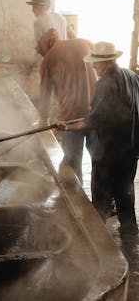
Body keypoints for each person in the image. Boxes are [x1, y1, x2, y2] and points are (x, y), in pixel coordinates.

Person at [56, 41, 139, 236]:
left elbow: (93, 121)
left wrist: (66, 126)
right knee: (125, 193)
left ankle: (97, 239)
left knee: (100, 198)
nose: (93, 66)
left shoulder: (106, 83)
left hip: (108, 152)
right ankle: (130, 234)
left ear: (107, 61)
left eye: (96, 63)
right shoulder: (131, 75)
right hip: (131, 149)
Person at [37, 28, 98, 184]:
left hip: (71, 117)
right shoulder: (86, 42)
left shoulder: (48, 59)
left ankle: (74, 194)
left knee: (72, 159)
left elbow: (45, 95)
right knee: (99, 158)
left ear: (46, 45)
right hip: (96, 112)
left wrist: (43, 120)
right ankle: (102, 203)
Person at [25, 0, 76, 107]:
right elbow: (73, 35)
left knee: (47, 92)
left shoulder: (39, 22)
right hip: (65, 59)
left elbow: (40, 47)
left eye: (35, 6)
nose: (32, 10)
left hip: (51, 60)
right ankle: (61, 115)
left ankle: (46, 119)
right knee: (62, 92)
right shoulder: (61, 18)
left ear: (43, 6)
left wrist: (32, 65)